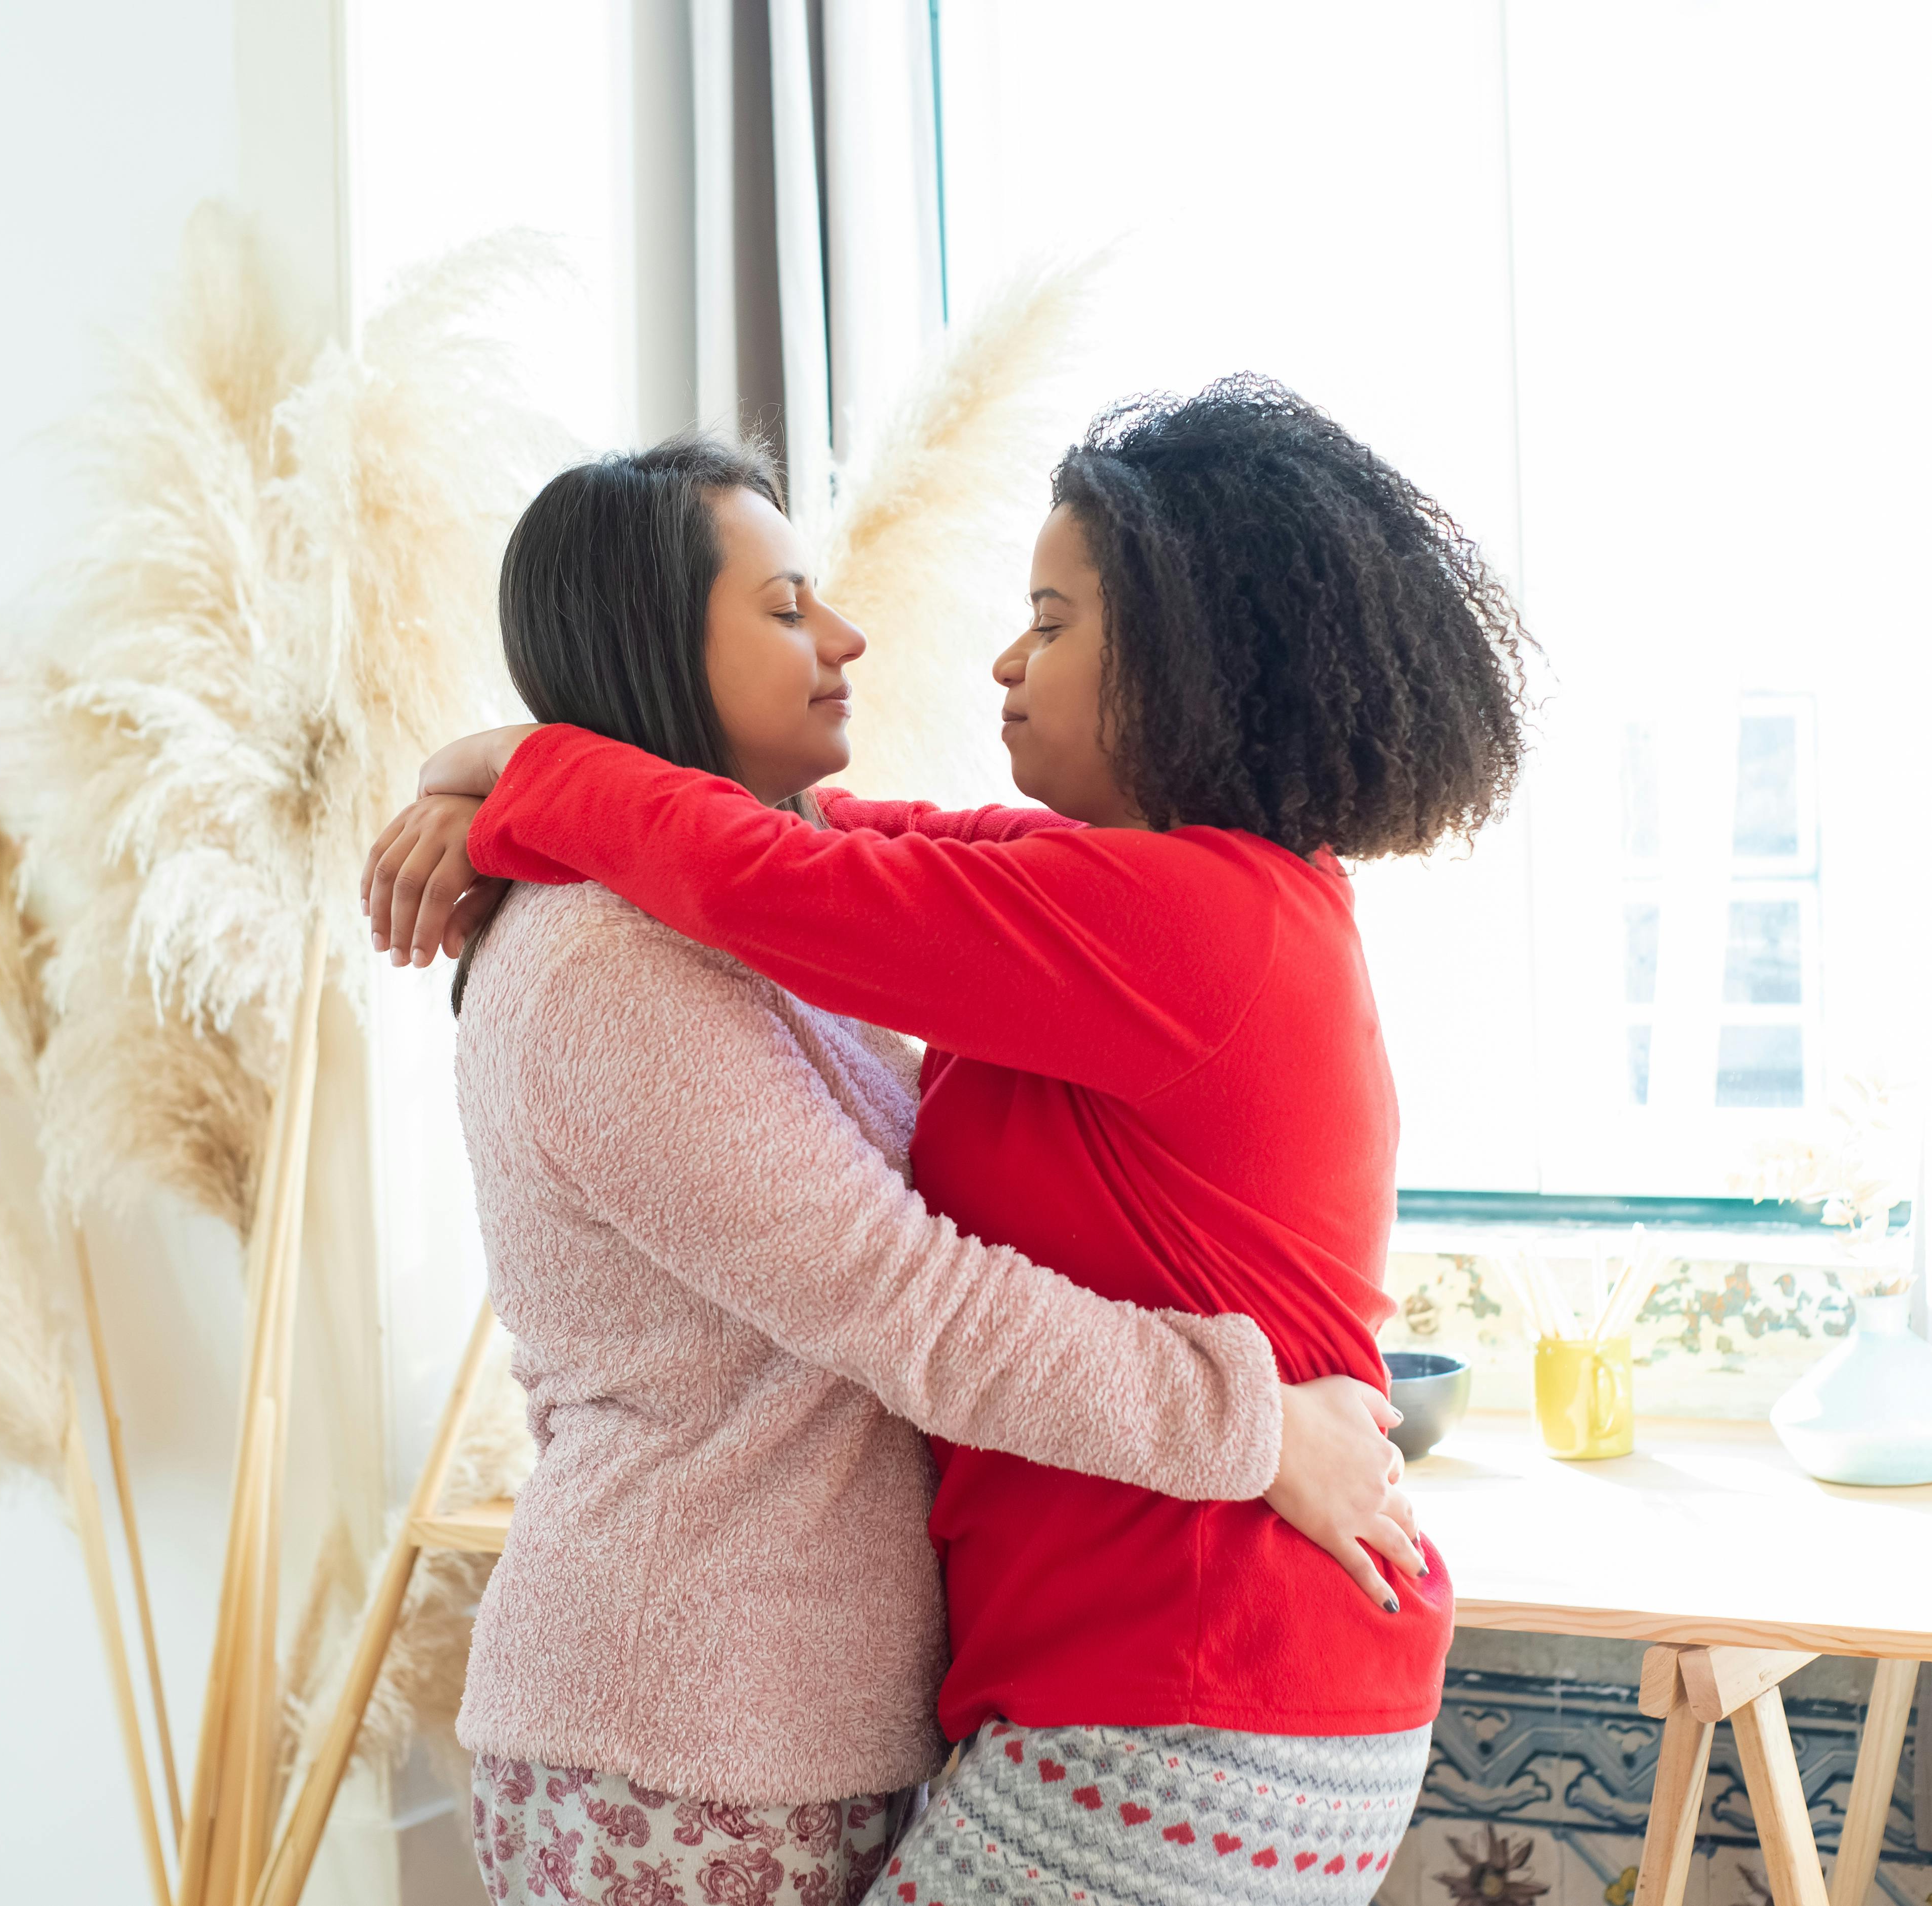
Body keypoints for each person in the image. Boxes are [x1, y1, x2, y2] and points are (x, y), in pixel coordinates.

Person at [369, 377, 1530, 1904]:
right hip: (1135, 1678)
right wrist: (524, 771)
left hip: (1187, 1672)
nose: (994, 655)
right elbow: (806, 854)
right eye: (789, 607)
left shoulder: (1175, 920)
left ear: (1189, 659)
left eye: (1051, 621)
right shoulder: (1133, 895)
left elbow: (775, 884)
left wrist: (536, 781)